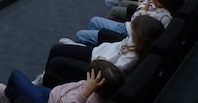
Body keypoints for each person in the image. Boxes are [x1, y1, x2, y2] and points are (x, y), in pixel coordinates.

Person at [35, 16, 164, 87]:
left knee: (56, 60)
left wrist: (104, 62)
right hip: (97, 50)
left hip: (96, 64)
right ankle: (76, 47)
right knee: (56, 48)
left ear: (140, 36)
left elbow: (115, 71)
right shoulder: (135, 39)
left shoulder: (132, 57)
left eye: (134, 30)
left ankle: (43, 79)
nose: (131, 31)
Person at [74, 0, 184, 45]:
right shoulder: (161, 6)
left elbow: (136, 21)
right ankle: (94, 42)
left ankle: (88, 45)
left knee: (81, 34)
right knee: (94, 21)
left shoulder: (163, 17)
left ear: (160, 2)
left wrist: (143, 10)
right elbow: (145, 4)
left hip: (128, 33)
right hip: (127, 27)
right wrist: (144, 7)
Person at [0, 59, 125, 103]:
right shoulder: (101, 88)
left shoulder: (91, 97)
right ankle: (11, 93)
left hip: (47, 101)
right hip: (53, 93)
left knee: (15, 75)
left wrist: (85, 92)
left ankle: (6, 93)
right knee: (18, 90)